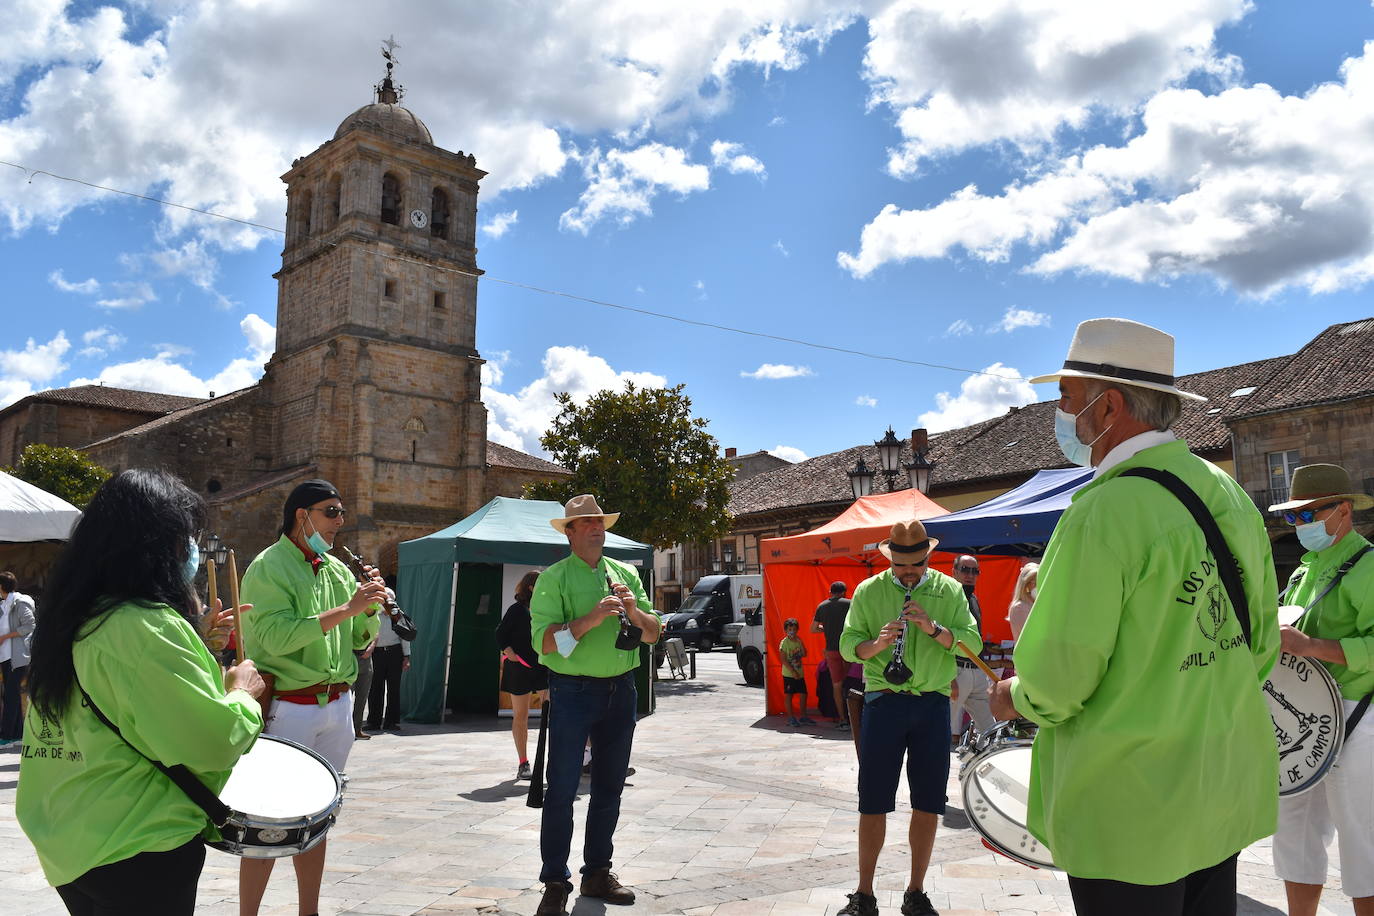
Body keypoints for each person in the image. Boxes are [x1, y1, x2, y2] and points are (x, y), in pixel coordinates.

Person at [988, 317, 1279, 916]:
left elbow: (1061, 681)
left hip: (1130, 807)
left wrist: (1015, 694)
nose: (1061, 413)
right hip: (1217, 785)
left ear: (1109, 405)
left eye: (1067, 397)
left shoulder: (1104, 510)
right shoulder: (1226, 492)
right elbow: (1261, 644)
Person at [15, 469, 264, 915]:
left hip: (69, 838)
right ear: (157, 545)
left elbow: (113, 696)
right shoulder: (147, 624)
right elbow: (209, 742)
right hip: (137, 841)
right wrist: (243, 694)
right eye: (185, 537)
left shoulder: (76, 617)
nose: (190, 549)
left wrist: (198, 642)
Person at [238, 479, 385, 916]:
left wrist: (372, 607)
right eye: (331, 512)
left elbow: (361, 641)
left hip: (338, 706)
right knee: (264, 820)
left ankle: (310, 911)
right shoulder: (268, 567)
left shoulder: (337, 569)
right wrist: (348, 609)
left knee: (319, 819)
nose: (341, 521)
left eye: (341, 512)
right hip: (288, 709)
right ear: (302, 515)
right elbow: (273, 636)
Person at [838, 520, 981, 916]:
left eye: (916, 564)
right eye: (901, 565)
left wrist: (935, 630)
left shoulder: (949, 590)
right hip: (884, 703)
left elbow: (972, 643)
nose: (908, 572)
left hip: (932, 705)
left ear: (928, 557)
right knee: (873, 800)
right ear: (890, 559)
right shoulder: (869, 590)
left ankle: (915, 891)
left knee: (929, 802)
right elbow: (849, 645)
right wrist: (877, 643)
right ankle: (864, 894)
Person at [528, 495, 662, 916]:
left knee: (610, 788)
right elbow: (544, 644)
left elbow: (655, 633)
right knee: (562, 790)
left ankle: (597, 872)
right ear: (568, 531)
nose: (595, 528)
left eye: (599, 521)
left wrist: (633, 612)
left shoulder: (625, 573)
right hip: (572, 691)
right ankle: (554, 880)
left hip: (621, 690)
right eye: (585, 523)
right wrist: (591, 617)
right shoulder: (553, 579)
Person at [1267, 463, 1374, 916]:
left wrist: (1313, 646)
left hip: (1356, 714)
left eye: (1309, 515)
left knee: (1362, 836)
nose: (1300, 525)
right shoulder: (1303, 569)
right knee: (1293, 834)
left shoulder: (1368, 566)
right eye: (1294, 517)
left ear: (1343, 511)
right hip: (1306, 716)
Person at [496, 570, 549, 779]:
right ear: (530, 587)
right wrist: (510, 653)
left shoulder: (547, 609)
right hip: (519, 668)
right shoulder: (517, 609)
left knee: (553, 714)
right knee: (521, 716)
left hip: (543, 667)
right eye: (541, 583)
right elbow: (500, 634)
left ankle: (559, 762)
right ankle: (523, 763)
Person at [947, 555, 993, 745]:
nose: (970, 575)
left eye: (975, 571)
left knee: (990, 728)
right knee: (944, 727)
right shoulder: (948, 598)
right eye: (965, 570)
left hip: (976, 670)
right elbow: (941, 638)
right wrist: (950, 677)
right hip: (956, 670)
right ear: (954, 572)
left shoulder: (973, 598)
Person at [364, 587, 411, 733]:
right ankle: (374, 721)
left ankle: (391, 722)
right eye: (384, 600)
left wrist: (406, 656)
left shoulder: (397, 616)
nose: (386, 603)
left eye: (389, 600)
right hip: (377, 653)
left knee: (394, 688)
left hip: (394, 653)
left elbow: (405, 636)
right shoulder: (373, 614)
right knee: (375, 688)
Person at [0, 571, 36, 746]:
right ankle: (16, 735)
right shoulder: (5, 604)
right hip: (6, 657)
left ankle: (7, 736)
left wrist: (6, 637)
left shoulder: (20, 602)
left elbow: (30, 625)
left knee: (11, 696)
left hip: (17, 656)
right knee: (11, 695)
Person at [812, 581, 852, 729]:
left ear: (830, 592)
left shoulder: (822, 606)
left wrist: (826, 628)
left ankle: (842, 719)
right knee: (851, 682)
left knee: (837, 685)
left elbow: (813, 628)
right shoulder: (850, 603)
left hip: (831, 650)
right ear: (845, 592)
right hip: (848, 648)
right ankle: (853, 716)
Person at [779, 617, 813, 726]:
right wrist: (792, 671)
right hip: (789, 674)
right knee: (789, 695)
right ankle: (790, 717)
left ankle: (803, 716)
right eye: (789, 629)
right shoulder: (784, 643)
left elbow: (804, 654)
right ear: (786, 630)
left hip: (799, 673)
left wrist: (801, 644)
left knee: (803, 694)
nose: (792, 632)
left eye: (794, 629)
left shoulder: (798, 641)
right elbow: (783, 659)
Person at [1006, 562, 1039, 642]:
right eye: (1034, 582)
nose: (1038, 586)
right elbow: (1032, 636)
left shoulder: (1036, 604)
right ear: (1025, 585)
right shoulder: (1019, 607)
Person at [352, 634, 375, 740]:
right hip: (350, 658)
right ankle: (345, 730)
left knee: (362, 698)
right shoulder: (351, 617)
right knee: (345, 698)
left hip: (366, 660)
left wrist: (371, 647)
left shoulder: (373, 618)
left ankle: (357, 730)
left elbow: (375, 633)